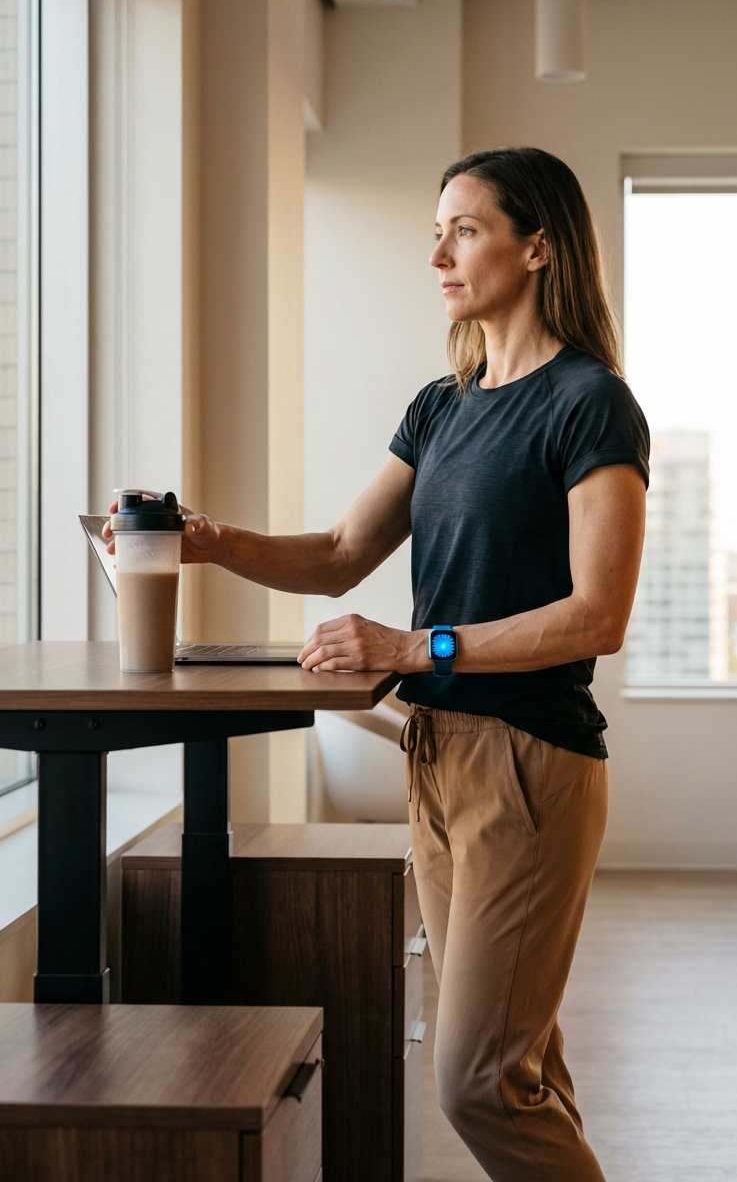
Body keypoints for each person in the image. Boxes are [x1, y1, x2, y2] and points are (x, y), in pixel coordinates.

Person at [113, 147, 649, 1181]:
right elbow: (340, 554)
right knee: (517, 1062)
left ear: (536, 247)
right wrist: (213, 541)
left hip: (529, 765)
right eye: (433, 233)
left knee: (477, 1082)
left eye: (464, 229)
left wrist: (413, 646)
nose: (438, 255)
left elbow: (598, 614)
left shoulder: (589, 404)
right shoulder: (441, 406)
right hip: (437, 753)